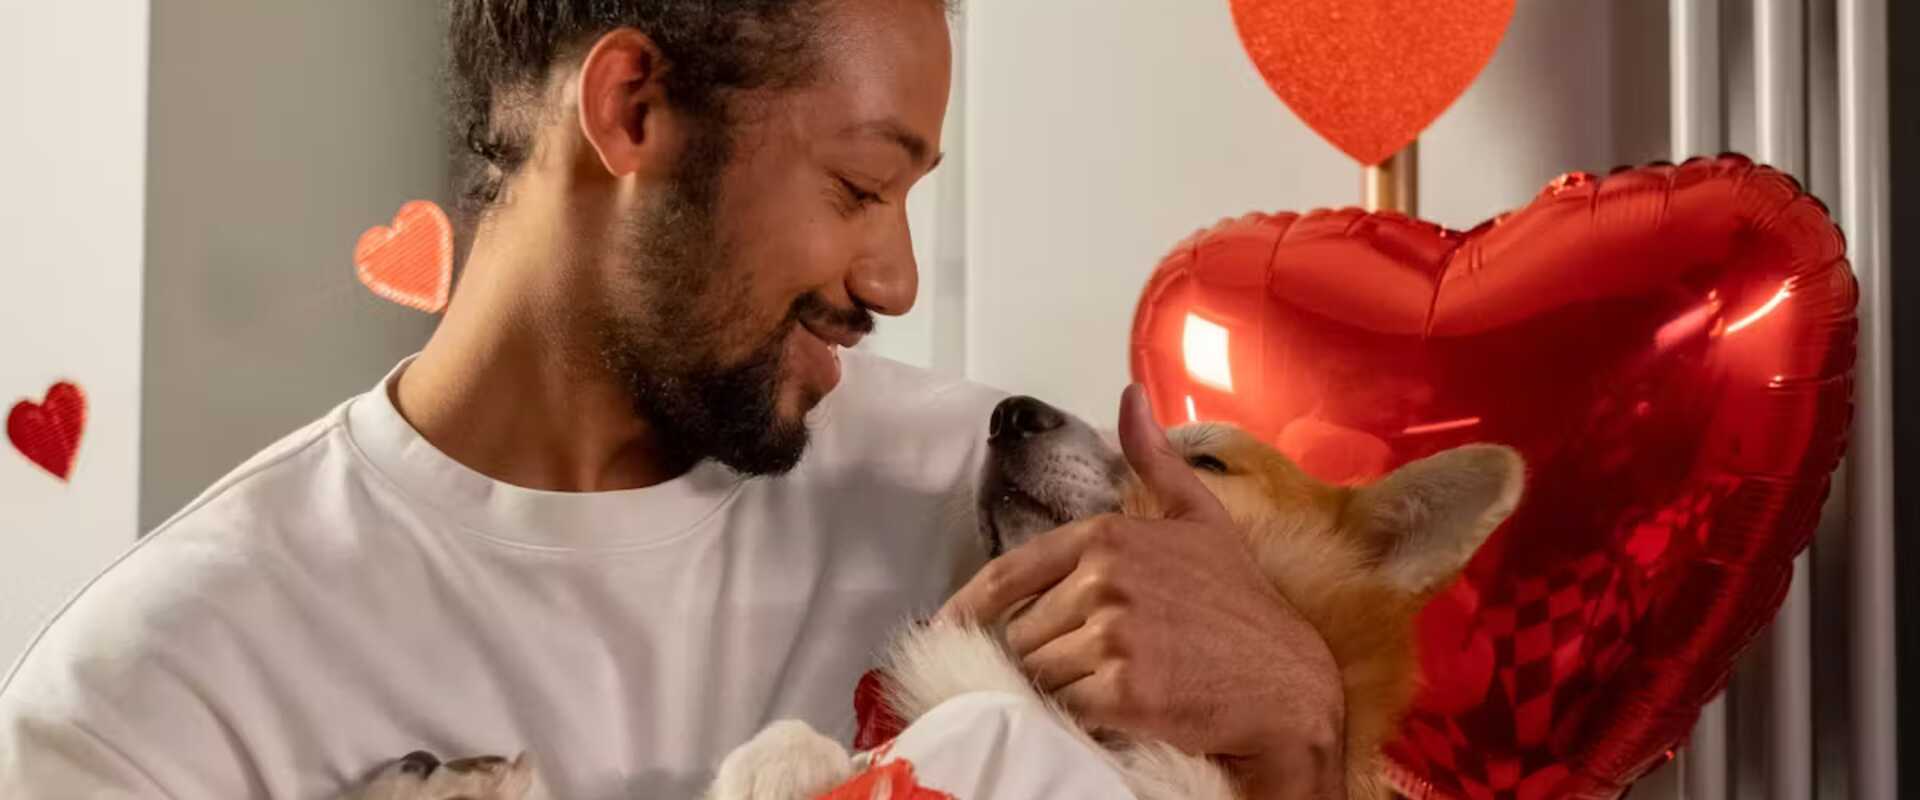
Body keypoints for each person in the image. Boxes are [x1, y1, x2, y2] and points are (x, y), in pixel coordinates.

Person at [0, 1, 1345, 797]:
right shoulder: (158, 700)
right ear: (633, 108)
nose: (893, 276)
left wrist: (1299, 727)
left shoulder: (993, 497)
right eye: (860, 187)